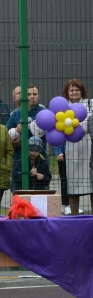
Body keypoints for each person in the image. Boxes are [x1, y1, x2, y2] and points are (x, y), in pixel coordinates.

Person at [55, 79, 93, 215]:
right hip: (71, 150)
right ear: (67, 92)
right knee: (72, 186)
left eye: (77, 89)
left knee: (91, 183)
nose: (74, 92)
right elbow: (57, 130)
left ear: (82, 91)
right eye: (72, 90)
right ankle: (74, 216)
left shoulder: (90, 104)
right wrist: (59, 151)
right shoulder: (63, 107)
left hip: (88, 148)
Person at [6, 85, 45, 194]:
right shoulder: (16, 113)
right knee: (18, 194)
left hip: (40, 160)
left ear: (38, 96)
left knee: (40, 193)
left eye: (35, 94)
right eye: (29, 94)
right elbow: (6, 134)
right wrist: (16, 134)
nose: (32, 97)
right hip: (19, 160)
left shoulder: (43, 112)